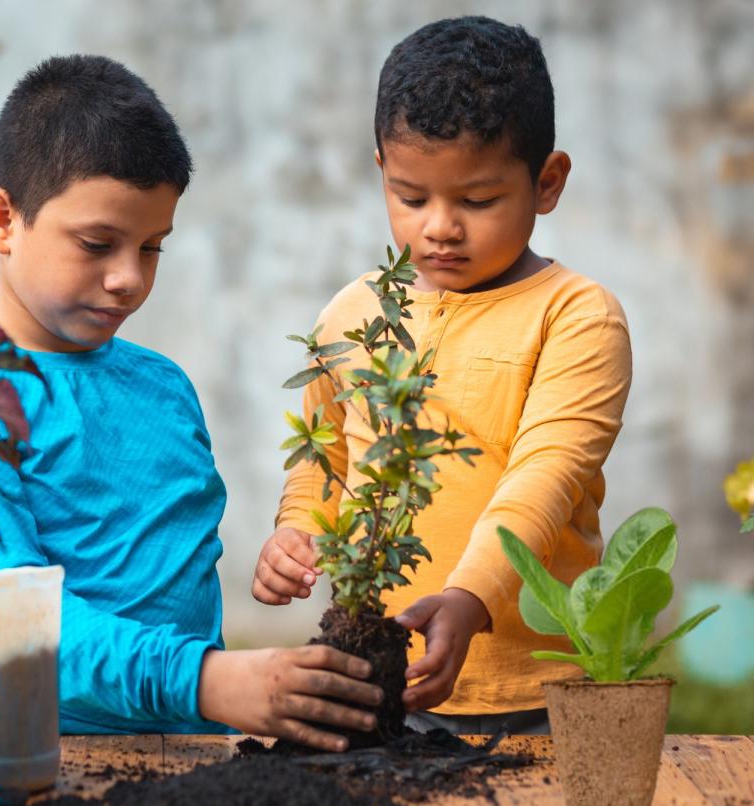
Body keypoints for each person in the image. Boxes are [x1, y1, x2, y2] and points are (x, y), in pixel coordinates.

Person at [0, 54, 381, 751]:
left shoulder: (164, 386)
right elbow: (2, 612)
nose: (127, 279)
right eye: (97, 243)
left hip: (203, 758)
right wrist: (207, 680)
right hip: (38, 763)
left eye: (152, 247)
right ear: (2, 219)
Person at [256, 17, 632, 736]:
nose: (439, 228)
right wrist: (296, 532)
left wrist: (471, 596)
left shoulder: (576, 317)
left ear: (546, 182)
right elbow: (325, 456)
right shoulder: (355, 314)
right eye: (412, 196)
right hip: (376, 681)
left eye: (477, 200)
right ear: (381, 172)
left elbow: (546, 477)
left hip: (532, 698)